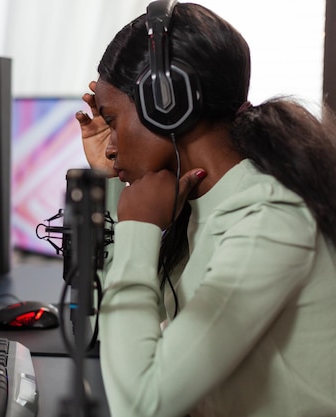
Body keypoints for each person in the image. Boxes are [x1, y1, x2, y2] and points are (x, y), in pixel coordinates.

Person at [75, 1, 336, 417]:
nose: (108, 143)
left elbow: (141, 403)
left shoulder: (269, 218)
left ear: (167, 103)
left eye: (112, 119)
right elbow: (103, 335)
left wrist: (137, 227)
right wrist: (116, 188)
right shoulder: (197, 204)